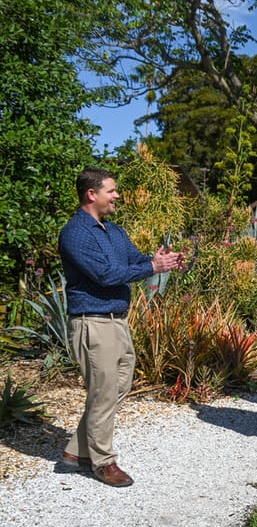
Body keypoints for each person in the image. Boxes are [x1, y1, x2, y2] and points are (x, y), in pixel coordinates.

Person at [59, 167, 184, 487]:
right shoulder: (76, 233)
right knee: (102, 393)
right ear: (92, 194)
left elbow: (133, 261)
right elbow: (105, 274)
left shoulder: (113, 231)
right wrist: (151, 267)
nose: (117, 196)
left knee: (118, 386)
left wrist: (156, 260)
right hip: (92, 322)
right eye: (111, 191)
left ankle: (76, 452)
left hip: (117, 320)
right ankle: (103, 462)